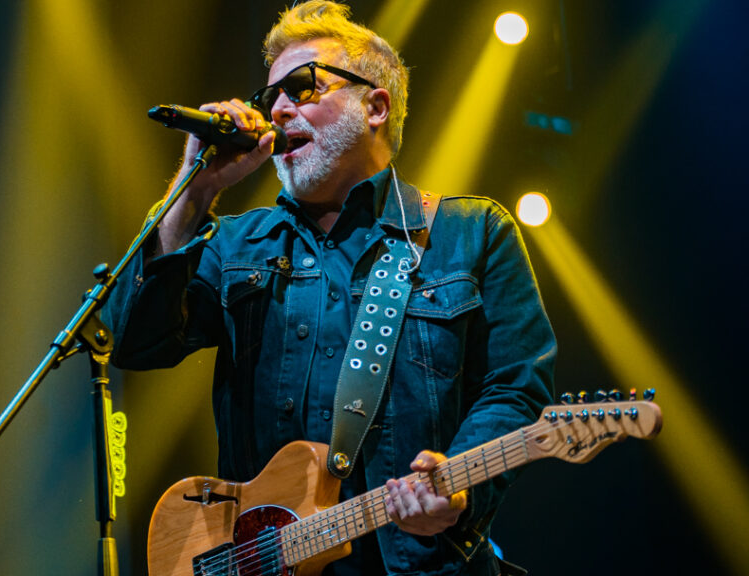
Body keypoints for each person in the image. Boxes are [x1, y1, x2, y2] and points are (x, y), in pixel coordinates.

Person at [104, 2, 555, 574]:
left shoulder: (472, 233)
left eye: (301, 87)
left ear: (375, 106)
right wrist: (196, 191)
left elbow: (516, 387)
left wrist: (458, 491)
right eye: (270, 97)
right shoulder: (236, 244)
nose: (277, 110)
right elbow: (135, 341)